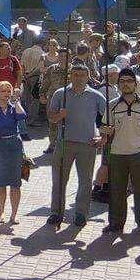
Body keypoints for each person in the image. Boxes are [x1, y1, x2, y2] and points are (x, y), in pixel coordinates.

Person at [47, 62, 108, 228]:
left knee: (85, 181)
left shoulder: (96, 95)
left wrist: (103, 137)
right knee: (59, 180)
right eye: (75, 74)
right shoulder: (61, 94)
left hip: (87, 144)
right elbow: (51, 117)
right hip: (64, 143)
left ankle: (81, 213)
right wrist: (60, 115)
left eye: (82, 75)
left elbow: (108, 117)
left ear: (88, 76)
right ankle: (56, 212)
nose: (78, 78)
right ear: (70, 76)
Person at [102, 68, 140, 237]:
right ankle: (116, 223)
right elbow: (105, 130)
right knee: (116, 190)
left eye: (129, 81)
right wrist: (104, 131)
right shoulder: (111, 105)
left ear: (135, 83)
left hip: (138, 153)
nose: (126, 84)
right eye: (122, 81)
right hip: (117, 152)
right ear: (118, 84)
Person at [0, 80, 27, 226]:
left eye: (8, 91)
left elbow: (22, 116)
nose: (6, 94)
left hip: (14, 144)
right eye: (2, 91)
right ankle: (1, 211)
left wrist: (16, 101)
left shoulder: (13, 107)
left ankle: (14, 214)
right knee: (0, 181)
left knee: (15, 182)